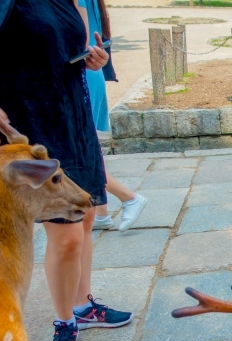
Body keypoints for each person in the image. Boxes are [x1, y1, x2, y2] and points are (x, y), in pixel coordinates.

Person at [0, 0, 133, 341]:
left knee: (82, 219)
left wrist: (91, 59)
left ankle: (83, 306)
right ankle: (65, 321)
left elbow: (63, 49)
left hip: (70, 115)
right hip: (24, 124)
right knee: (66, 238)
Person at [79, 0, 148, 232]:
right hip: (88, 74)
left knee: (80, 152)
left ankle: (129, 197)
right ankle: (101, 212)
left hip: (81, 74)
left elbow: (77, 40)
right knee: (88, 146)